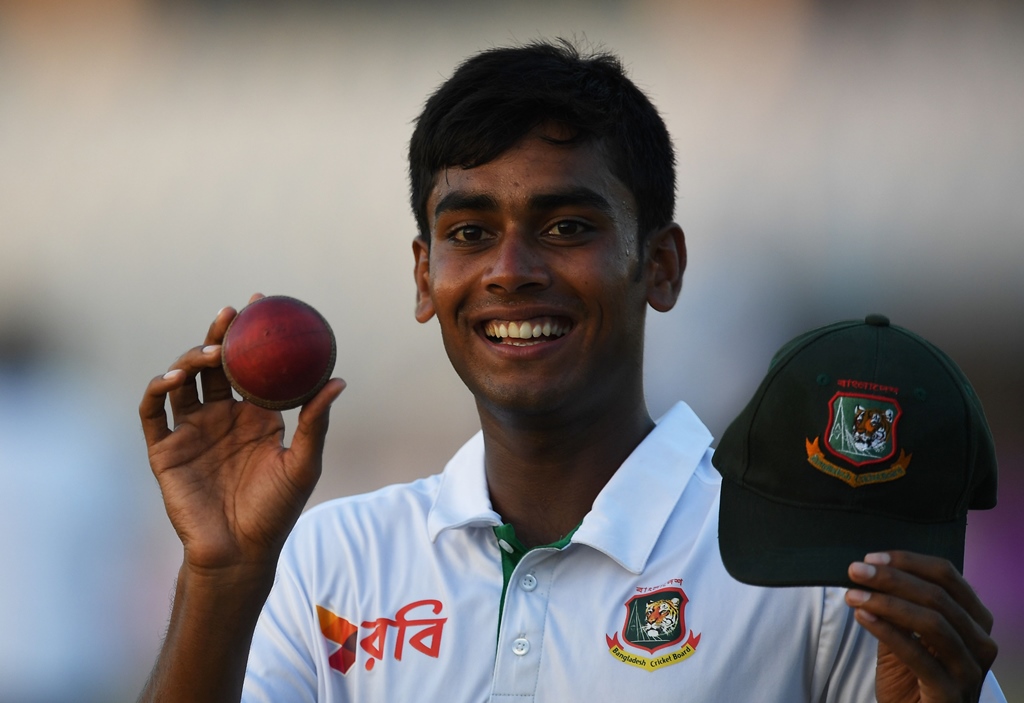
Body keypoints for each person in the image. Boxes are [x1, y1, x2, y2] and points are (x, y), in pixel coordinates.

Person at [137, 40, 1003, 702]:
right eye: (470, 232)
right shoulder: (335, 557)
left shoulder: (812, 570)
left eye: (565, 227)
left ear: (661, 266)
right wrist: (220, 574)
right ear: (423, 278)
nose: (510, 268)